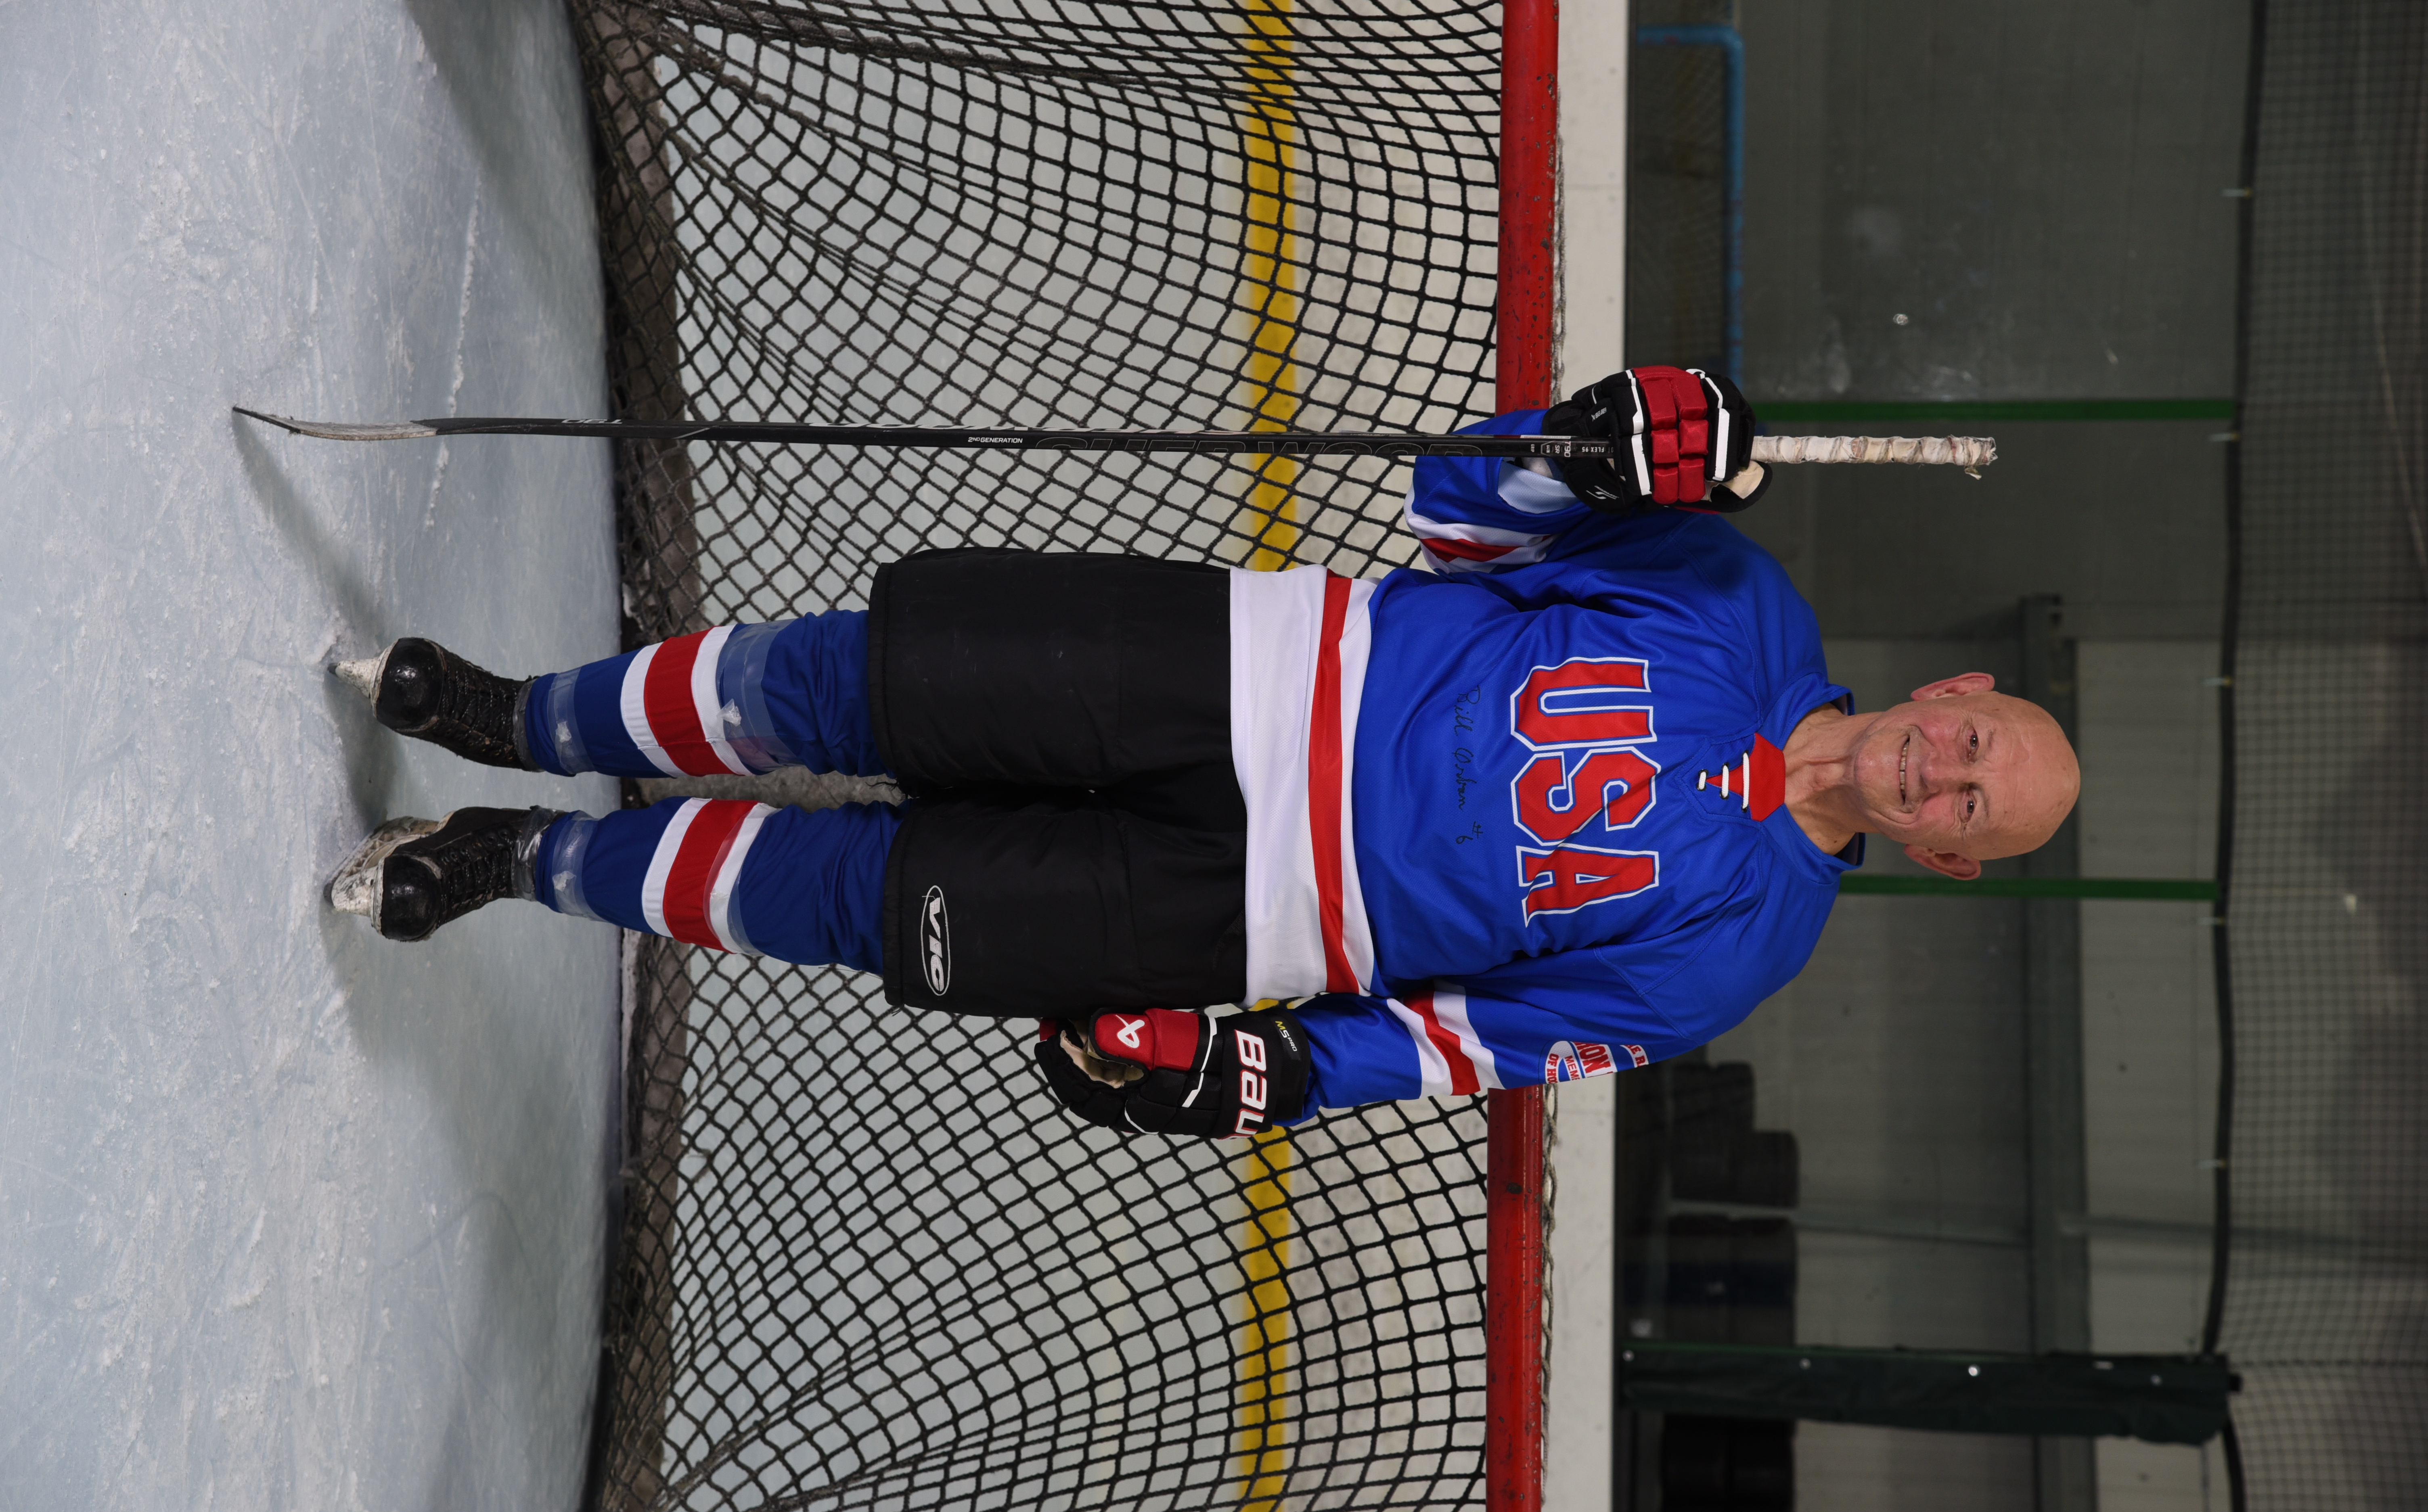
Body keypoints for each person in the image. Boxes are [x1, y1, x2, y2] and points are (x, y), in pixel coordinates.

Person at [328, 366, 2080, 1138]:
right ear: (1947, 688)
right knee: (839, 687)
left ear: (1947, 856)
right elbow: (1460, 504)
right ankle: (524, 716)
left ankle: (519, 859)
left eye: (1971, 810)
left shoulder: (1743, 952)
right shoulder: (1729, 588)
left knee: (850, 894)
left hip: (1233, 915)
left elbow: (1478, 1045)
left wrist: (1281, 1080)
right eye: (1973, 739)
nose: (1946, 773)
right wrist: (1598, 447)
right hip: (1221, 669)